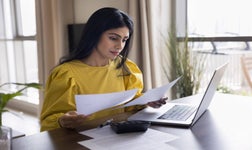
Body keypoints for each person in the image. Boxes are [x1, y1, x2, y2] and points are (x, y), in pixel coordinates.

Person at [40, 7, 167, 132]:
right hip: (82, 140)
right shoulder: (66, 74)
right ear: (94, 34)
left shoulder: (126, 67)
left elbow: (129, 104)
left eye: (124, 40)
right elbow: (48, 122)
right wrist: (62, 121)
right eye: (113, 38)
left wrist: (146, 100)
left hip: (119, 136)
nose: (120, 46)